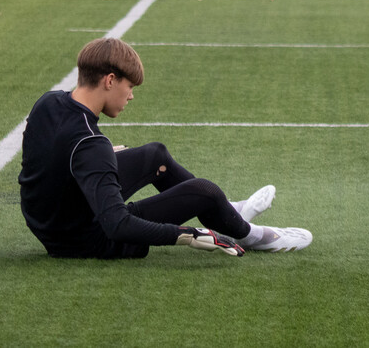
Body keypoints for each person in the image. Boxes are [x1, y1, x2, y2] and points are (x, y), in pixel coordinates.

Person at [18, 37, 313, 259]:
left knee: (155, 154)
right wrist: (187, 234)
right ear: (110, 80)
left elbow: (47, 155)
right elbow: (118, 226)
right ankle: (253, 235)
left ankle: (231, 211)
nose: (131, 96)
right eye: (129, 87)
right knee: (203, 192)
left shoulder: (49, 102)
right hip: (84, 239)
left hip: (50, 221)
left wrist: (102, 156)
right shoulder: (91, 147)